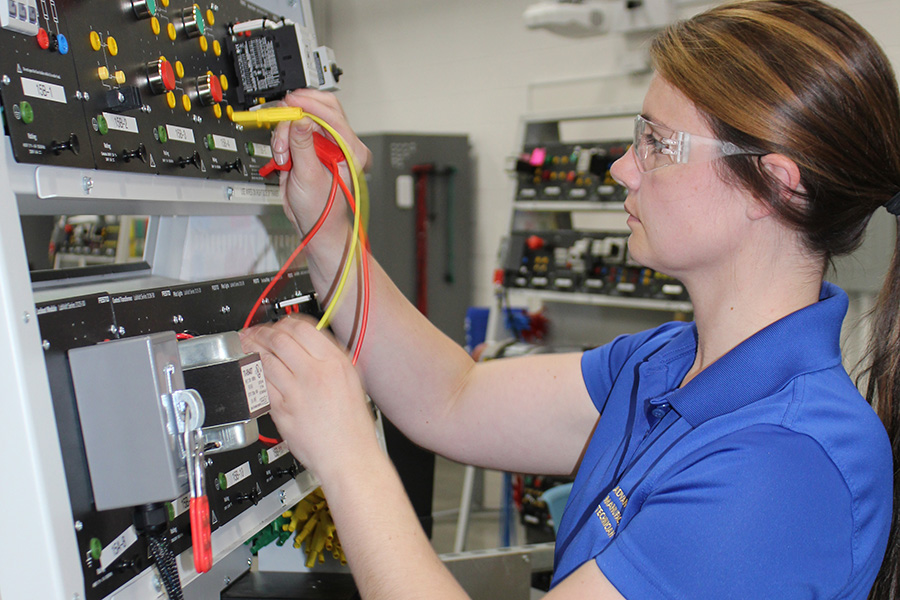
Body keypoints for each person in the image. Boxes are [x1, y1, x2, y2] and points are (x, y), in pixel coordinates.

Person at [239, 0, 900, 597]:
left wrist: (348, 453)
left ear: (773, 188)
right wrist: (330, 236)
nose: (622, 168)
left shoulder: (789, 465)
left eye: (657, 144)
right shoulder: (664, 363)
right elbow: (452, 398)